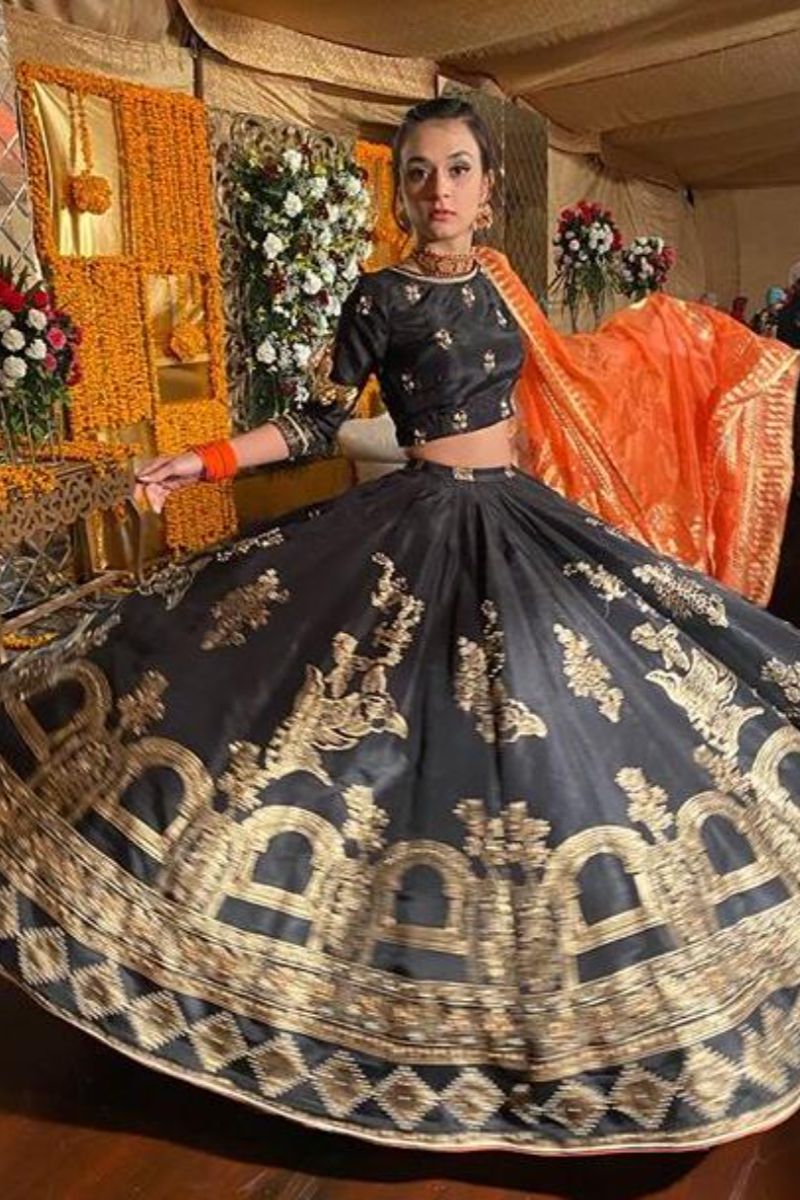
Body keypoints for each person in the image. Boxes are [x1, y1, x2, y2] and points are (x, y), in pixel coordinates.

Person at [1, 97, 800, 1157]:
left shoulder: (506, 290)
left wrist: (703, 356)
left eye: (458, 169)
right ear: (400, 192)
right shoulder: (378, 296)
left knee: (559, 742)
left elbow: (576, 391)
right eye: (419, 172)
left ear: (488, 187)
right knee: (364, 738)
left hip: (520, 525)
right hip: (417, 527)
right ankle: (369, 991)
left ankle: (549, 1009)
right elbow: (318, 420)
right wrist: (206, 460)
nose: (439, 189)